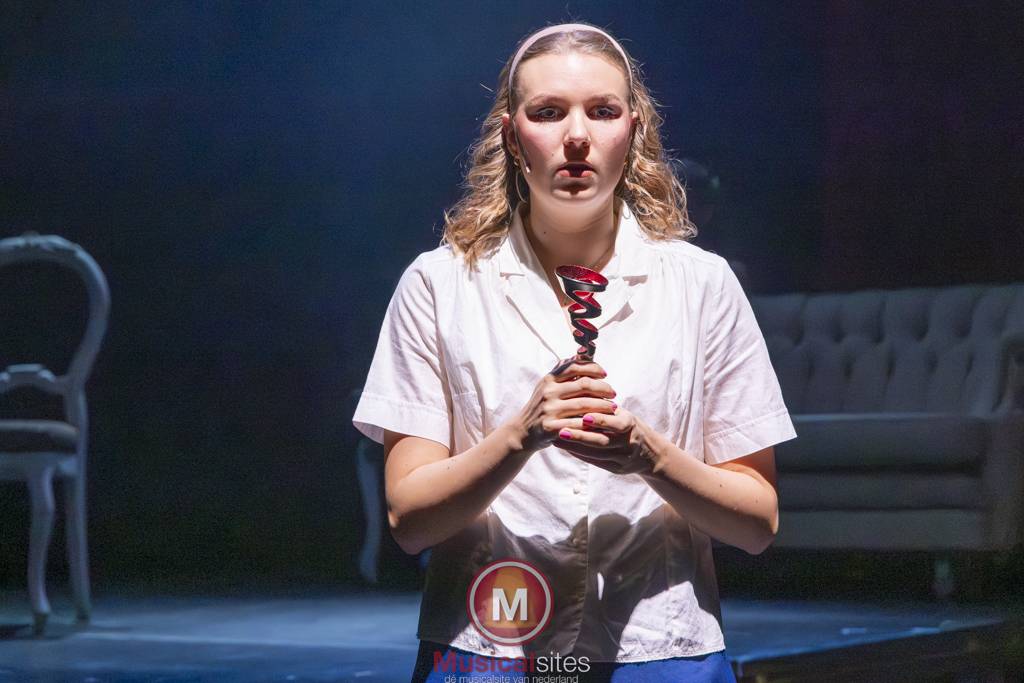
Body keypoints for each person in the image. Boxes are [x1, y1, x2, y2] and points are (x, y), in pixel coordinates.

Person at [353, 22, 796, 682]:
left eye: (603, 111)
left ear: (634, 129)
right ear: (512, 135)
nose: (578, 136)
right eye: (549, 112)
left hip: (658, 647)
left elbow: (757, 522)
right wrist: (519, 436)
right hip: (489, 647)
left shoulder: (702, 285)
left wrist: (648, 455)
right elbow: (409, 519)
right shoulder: (438, 285)